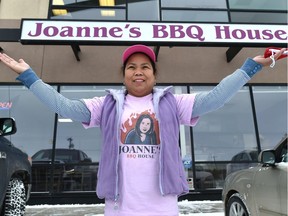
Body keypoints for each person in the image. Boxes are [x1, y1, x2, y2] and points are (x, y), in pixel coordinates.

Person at [0, 45, 285, 216]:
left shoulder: (173, 103)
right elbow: (64, 106)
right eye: (132, 67)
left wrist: (248, 68)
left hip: (162, 207)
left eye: (145, 66)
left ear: (154, 73)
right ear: (124, 75)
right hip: (119, 207)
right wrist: (29, 77)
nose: (139, 71)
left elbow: (216, 97)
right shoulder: (108, 104)